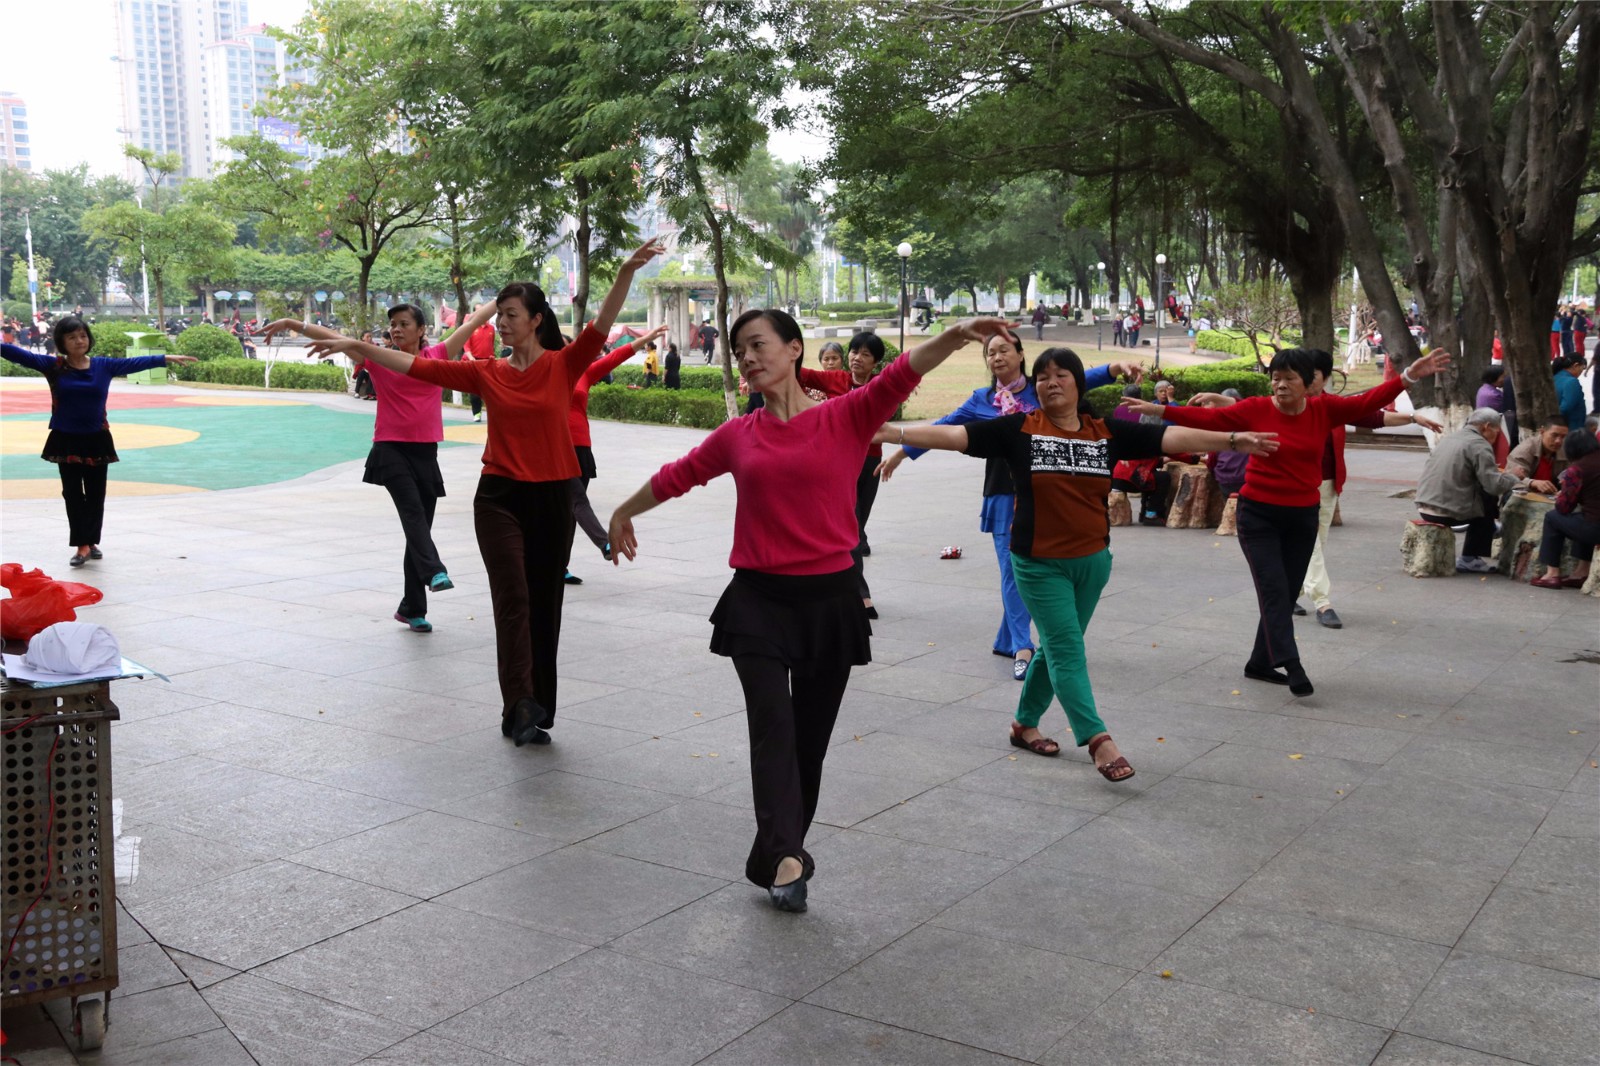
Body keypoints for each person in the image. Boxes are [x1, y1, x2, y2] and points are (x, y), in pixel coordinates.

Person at [606, 311, 1021, 914]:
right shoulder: (738, 434)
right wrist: (622, 511)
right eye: (740, 349)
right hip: (757, 603)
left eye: (759, 346)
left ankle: (777, 852)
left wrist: (957, 336)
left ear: (794, 350)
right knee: (774, 729)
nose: (748, 358)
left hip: (830, 603)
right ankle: (786, 859)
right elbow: (678, 477)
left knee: (808, 745)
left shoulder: (847, 416)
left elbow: (902, 373)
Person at [310, 237, 665, 747]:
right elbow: (417, 367)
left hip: (552, 498)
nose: (501, 323)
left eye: (511, 315)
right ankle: (518, 705)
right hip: (499, 498)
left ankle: (536, 705)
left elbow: (601, 326)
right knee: (513, 599)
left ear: (537, 319)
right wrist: (358, 347)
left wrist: (627, 271)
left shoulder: (563, 365)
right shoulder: (487, 372)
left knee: (546, 603)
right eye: (499, 315)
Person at [884, 347, 1278, 775]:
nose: (1051, 382)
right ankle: (1098, 740)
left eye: (1061, 375)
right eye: (1042, 376)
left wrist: (1235, 440)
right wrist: (892, 433)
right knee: (1068, 651)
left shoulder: (1104, 430)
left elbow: (1172, 437)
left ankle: (1024, 724)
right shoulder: (1020, 428)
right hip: (1038, 563)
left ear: (1077, 383)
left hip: (1092, 562)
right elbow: (955, 435)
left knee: (1054, 648)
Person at [1125, 346, 1452, 695]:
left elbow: (1367, 403)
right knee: (1274, 590)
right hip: (1258, 514)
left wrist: (1408, 376)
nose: (1280, 385)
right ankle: (1291, 662)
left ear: (1309, 382)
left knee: (1284, 592)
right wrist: (1160, 409)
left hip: (1302, 516)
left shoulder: (1323, 409)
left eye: (1289, 378)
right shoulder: (1255, 409)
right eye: (1275, 378)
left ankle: (1259, 663)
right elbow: (1210, 421)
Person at [877, 332, 1142, 680]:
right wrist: (900, 452)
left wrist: (1114, 366)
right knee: (1013, 571)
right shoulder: (981, 399)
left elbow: (1081, 377)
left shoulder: (1042, 386)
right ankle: (1021, 645)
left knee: (1024, 572)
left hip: (1048, 494)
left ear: (1020, 355)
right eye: (990, 353)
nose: (997, 357)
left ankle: (1007, 638)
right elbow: (945, 426)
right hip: (1004, 492)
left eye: (1004, 350)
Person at [267, 303, 496, 632]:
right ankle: (434, 571)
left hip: (425, 452)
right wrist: (292, 322)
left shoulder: (439, 355)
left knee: (418, 533)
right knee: (413, 515)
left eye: (404, 324)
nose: (396, 329)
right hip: (390, 449)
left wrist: (502, 300)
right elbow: (336, 338)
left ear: (421, 330)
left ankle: (411, 608)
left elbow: (473, 322)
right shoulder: (376, 357)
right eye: (392, 325)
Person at [1189, 350, 1443, 628]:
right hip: (1289, 492)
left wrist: (1412, 418)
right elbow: (1254, 408)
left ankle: (1292, 591)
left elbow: (1373, 416)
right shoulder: (1283, 404)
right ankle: (1323, 601)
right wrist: (1221, 401)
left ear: (1320, 378)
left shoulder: (1329, 406)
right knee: (1312, 547)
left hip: (1328, 483)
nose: (1304, 383)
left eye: (1310, 377)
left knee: (1315, 544)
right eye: (1286, 377)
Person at [2, 317, 197, 567]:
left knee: (95, 494)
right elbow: (16, 354)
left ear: (89, 338)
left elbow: (133, 362)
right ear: (62, 341)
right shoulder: (54, 366)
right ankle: (82, 546)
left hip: (97, 438)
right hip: (65, 438)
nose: (79, 341)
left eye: (82, 335)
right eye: (71, 337)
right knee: (72, 493)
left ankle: (91, 541)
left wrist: (164, 358)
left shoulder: (103, 366)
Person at [567, 324, 670, 584]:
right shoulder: (544, 374)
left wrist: (645, 338)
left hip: (582, 447)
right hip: (557, 447)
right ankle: (604, 543)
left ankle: (559, 566)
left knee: (569, 510)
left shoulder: (583, 373)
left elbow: (615, 357)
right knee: (576, 502)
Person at [796, 332, 887, 614]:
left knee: (856, 528)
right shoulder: (837, 380)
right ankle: (861, 595)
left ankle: (833, 583)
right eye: (854, 352)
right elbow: (801, 374)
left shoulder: (882, 387)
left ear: (875, 362)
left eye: (866, 355)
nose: (857, 358)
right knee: (852, 529)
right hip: (840, 465)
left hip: (870, 463)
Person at [1415, 409, 1544, 572]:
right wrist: (1514, 476)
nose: (1496, 438)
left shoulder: (1450, 438)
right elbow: (1493, 485)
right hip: (1446, 511)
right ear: (1487, 426)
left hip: (1424, 506)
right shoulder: (1479, 444)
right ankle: (1471, 556)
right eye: (1496, 432)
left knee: (1484, 495)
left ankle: (1489, 529)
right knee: (1488, 497)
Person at [1530, 429, 1600, 589]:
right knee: (1584, 516)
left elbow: (1563, 508)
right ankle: (1582, 572)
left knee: (1552, 518)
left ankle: (1551, 574)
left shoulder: (1577, 469)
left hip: (1596, 528)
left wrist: (1566, 491)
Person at [1506, 417, 1570, 485]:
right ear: (1542, 432)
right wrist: (1531, 483)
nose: (1558, 441)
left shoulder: (1565, 452)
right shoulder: (1526, 449)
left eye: (1563, 437)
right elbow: (1511, 478)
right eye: (1554, 435)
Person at [462, 320, 497, 421]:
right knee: (475, 389)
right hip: (474, 360)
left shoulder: (491, 328)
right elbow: (466, 346)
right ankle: (477, 413)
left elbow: (492, 344)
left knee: (490, 389)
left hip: (488, 361)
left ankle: (494, 414)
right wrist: (471, 358)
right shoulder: (471, 328)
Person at [1554, 356, 1587, 431]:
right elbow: (1565, 408)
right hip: (1571, 428)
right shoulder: (1572, 382)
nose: (1582, 371)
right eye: (1583, 367)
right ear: (1576, 365)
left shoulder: (1555, 377)